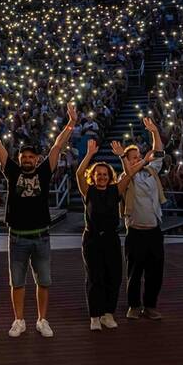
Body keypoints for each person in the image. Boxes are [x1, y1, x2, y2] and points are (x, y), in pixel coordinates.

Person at [0, 102, 77, 338]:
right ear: (19, 158)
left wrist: (71, 123)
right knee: (17, 282)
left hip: (41, 236)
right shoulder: (12, 171)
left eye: (31, 157)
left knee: (43, 281)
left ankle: (42, 320)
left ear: (37, 159)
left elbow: (57, 146)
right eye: (24, 156)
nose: (27, 159)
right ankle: (19, 320)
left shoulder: (44, 171)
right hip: (17, 237)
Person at [114, 117, 166, 320]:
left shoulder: (151, 171)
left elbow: (159, 152)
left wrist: (154, 132)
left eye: (137, 156)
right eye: (132, 157)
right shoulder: (124, 177)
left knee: (155, 272)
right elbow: (129, 171)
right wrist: (123, 159)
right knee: (134, 273)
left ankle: (150, 305)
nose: (136, 159)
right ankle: (134, 305)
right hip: (135, 232)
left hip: (153, 231)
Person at [74, 139, 122, 331]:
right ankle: (95, 315)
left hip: (111, 238)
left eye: (104, 174)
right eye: (98, 174)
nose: (102, 177)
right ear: (92, 177)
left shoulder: (115, 189)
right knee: (95, 277)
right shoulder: (89, 191)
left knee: (114, 276)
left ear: (109, 176)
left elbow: (130, 173)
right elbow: (78, 173)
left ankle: (108, 313)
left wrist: (121, 156)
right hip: (92, 239)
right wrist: (89, 154)